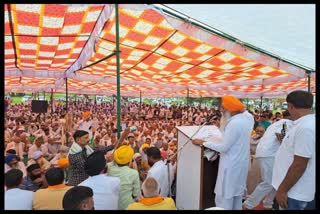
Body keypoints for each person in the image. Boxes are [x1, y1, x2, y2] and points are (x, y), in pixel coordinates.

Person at [192, 95, 254, 210]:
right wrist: (221, 127)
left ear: (230, 109)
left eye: (223, 108)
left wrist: (203, 142)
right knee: (236, 196)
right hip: (241, 164)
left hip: (230, 166)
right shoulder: (248, 118)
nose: (221, 111)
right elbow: (231, 137)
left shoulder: (234, 123)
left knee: (225, 197)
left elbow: (224, 147)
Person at [272, 90, 315, 210]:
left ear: (290, 106)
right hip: (295, 190)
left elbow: (299, 164)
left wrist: (282, 190)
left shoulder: (305, 127)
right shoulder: (305, 124)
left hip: (295, 192)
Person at [243, 110, 293, 210]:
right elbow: (281, 136)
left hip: (268, 154)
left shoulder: (279, 123)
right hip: (269, 154)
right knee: (269, 182)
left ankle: (268, 204)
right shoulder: (286, 123)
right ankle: (248, 204)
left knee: (276, 181)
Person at [107, 145, 141, 210]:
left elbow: (111, 163)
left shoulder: (110, 168)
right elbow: (136, 194)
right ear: (129, 159)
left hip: (112, 204)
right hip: (127, 205)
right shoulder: (133, 173)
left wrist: (115, 158)